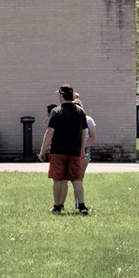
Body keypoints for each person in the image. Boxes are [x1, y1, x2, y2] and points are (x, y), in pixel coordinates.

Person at [38, 85, 88, 215]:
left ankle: (57, 206)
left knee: (58, 179)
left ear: (61, 95)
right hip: (74, 152)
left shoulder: (56, 111)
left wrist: (42, 150)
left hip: (58, 151)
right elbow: (84, 133)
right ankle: (82, 206)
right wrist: (82, 149)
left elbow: (50, 132)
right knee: (76, 179)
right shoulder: (80, 111)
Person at [74, 93, 97, 175]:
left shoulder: (88, 120)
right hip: (71, 148)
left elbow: (93, 137)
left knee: (80, 176)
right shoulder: (69, 120)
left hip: (85, 148)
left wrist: (82, 147)